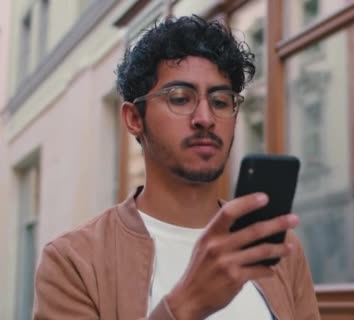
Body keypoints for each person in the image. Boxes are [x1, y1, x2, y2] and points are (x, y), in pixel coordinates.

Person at [33, 15, 320, 320]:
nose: (205, 117)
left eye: (221, 101)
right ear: (134, 119)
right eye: (181, 99)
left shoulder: (273, 247)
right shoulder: (74, 261)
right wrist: (186, 304)